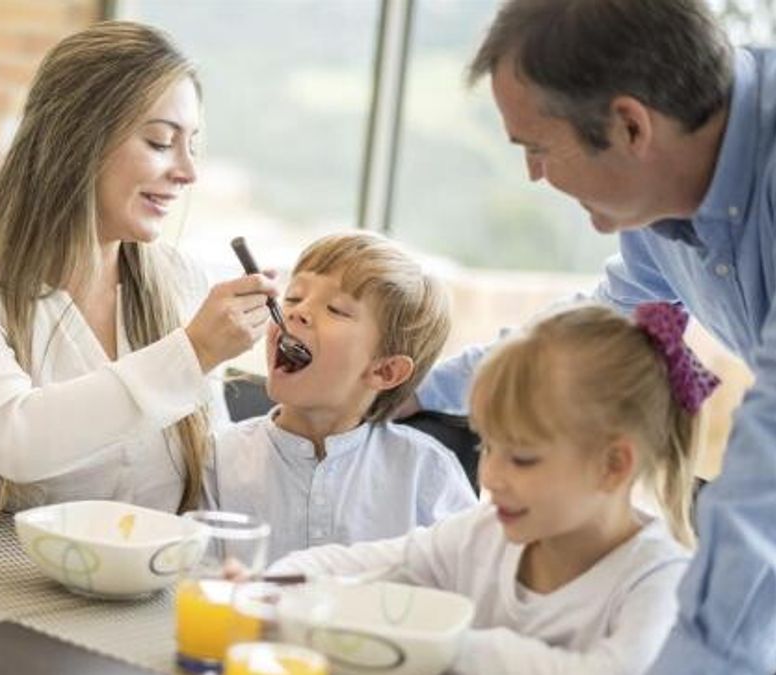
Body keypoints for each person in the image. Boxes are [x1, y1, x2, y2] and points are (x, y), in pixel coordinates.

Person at [404, 2, 776, 671]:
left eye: (538, 148)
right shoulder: (666, 198)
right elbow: (609, 312)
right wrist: (426, 389)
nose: (533, 176)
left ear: (631, 125)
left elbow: (768, 449)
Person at [0, 21, 277, 513]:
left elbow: (215, 486)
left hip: (153, 589)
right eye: (159, 141)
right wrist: (192, 353)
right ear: (77, 139)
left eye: (191, 144)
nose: (187, 172)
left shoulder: (182, 282)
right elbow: (15, 438)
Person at [272, 302, 718, 674]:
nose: (490, 477)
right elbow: (361, 564)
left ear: (613, 465)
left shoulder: (663, 580)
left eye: (522, 458)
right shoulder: (482, 534)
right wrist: (268, 586)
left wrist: (443, 644)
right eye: (488, 446)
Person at [203, 233, 475, 562]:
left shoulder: (428, 472)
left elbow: (469, 581)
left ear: (385, 372)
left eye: (335, 309)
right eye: (292, 298)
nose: (297, 313)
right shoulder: (217, 460)